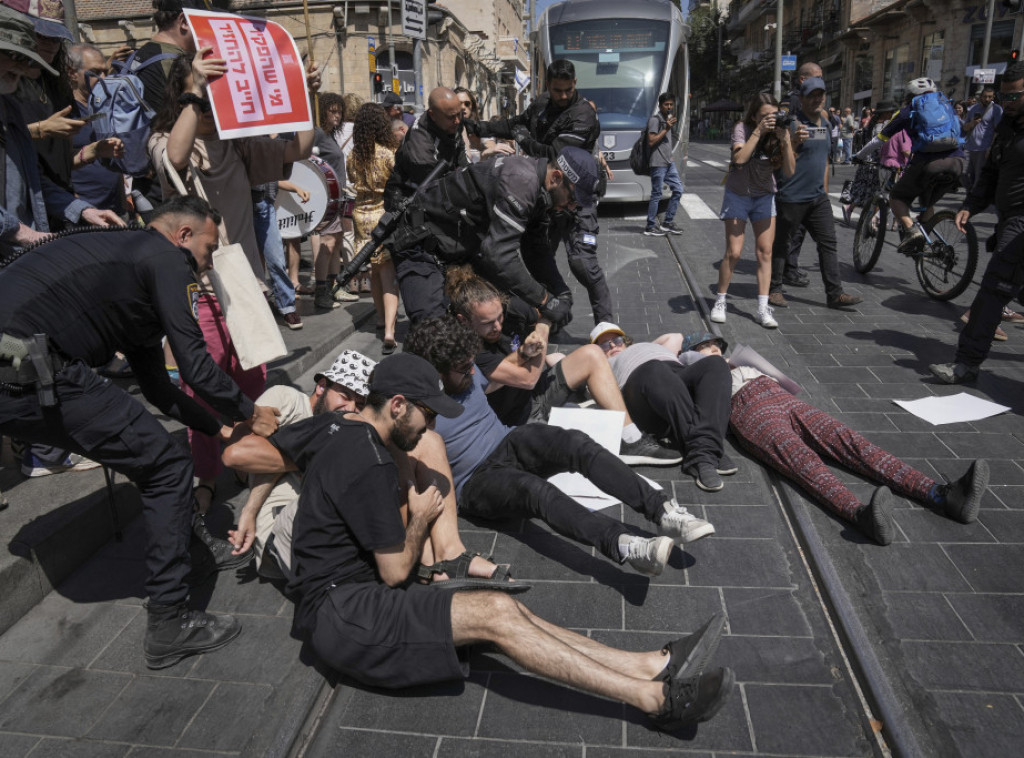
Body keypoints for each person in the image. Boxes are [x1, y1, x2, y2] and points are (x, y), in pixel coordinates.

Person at [229, 351, 735, 731]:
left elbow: (271, 455)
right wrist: (422, 518)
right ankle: (657, 703)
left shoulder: (339, 427)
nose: (432, 426)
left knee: (500, 610)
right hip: (348, 617)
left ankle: (650, 665)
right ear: (398, 405)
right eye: (427, 414)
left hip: (355, 599)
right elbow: (395, 571)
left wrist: (250, 507)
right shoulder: (368, 464)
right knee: (495, 617)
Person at [0, 196, 285, 668]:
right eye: (209, 250)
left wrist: (222, 428)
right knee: (168, 465)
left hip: (23, 368)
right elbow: (194, 366)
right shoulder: (164, 258)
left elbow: (157, 385)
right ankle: (170, 619)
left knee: (151, 454)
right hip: (27, 368)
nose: (209, 265)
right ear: (184, 236)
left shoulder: (130, 265)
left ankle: (190, 549)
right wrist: (250, 413)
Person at [405, 316, 715, 576]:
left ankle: (662, 512)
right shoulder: (413, 411)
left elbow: (508, 371)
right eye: (463, 369)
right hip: (475, 482)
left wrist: (526, 351)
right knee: (533, 491)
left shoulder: (465, 370)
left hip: (508, 441)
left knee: (572, 441)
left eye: (472, 364)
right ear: (435, 373)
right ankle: (624, 545)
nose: (473, 372)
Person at [148, 51, 317, 515]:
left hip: (244, 284)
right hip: (194, 289)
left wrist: (298, 94)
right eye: (203, 88)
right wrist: (195, 87)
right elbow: (176, 159)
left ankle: (247, 456)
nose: (210, 97)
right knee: (200, 387)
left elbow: (296, 149)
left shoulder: (236, 144)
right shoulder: (166, 139)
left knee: (250, 381)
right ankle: (206, 475)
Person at [223, 349, 509, 585]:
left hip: (331, 506)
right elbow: (236, 454)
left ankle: (447, 554)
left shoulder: (348, 431)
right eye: (345, 395)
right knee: (387, 453)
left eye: (359, 402)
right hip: (290, 531)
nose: (349, 407)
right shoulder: (290, 400)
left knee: (425, 440)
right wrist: (326, 452)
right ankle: (423, 565)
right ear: (322, 385)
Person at [677, 336, 990, 545]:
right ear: (693, 353)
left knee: (854, 444)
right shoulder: (693, 370)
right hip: (748, 409)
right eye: (706, 346)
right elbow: (673, 350)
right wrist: (696, 358)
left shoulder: (739, 361)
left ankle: (941, 495)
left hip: (781, 397)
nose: (715, 348)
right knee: (801, 460)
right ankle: (859, 515)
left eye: (717, 345)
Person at [446, 267, 682, 464]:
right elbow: (526, 379)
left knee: (591, 353)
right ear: (463, 320)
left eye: (499, 317)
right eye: (488, 323)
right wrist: (543, 330)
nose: (498, 326)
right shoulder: (464, 350)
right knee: (583, 454)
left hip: (536, 397)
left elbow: (542, 312)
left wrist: (549, 313)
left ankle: (632, 440)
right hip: (517, 421)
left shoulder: (506, 311)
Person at [386, 145, 596, 328]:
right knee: (434, 333)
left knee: (524, 316)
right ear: (557, 177)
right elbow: (499, 255)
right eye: (573, 199)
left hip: (462, 249)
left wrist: (560, 292)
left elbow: (536, 250)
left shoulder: (543, 191)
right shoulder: (522, 181)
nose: (572, 206)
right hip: (421, 247)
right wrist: (545, 299)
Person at [473, 59, 613, 324]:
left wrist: (524, 138)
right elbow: (514, 123)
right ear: (547, 85)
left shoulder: (583, 114)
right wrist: (480, 127)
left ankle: (607, 331)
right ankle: (548, 318)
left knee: (583, 263)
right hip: (545, 194)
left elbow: (555, 154)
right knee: (538, 256)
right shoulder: (541, 104)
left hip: (576, 196)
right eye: (557, 90)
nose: (562, 96)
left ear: (575, 84)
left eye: (568, 90)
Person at [930, 62, 1024, 384]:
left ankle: (966, 363)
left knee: (995, 287)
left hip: (1021, 226)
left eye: (1015, 97)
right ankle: (968, 362)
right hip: (1009, 220)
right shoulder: (1006, 126)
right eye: (1004, 97)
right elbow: (993, 173)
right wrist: (971, 206)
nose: (1007, 103)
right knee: (1005, 288)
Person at [591, 325, 734, 495]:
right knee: (653, 368)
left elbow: (675, 336)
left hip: (675, 375)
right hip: (639, 388)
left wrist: (643, 345)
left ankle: (703, 450)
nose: (613, 346)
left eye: (617, 340)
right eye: (605, 345)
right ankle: (705, 452)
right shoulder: (599, 364)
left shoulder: (652, 346)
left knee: (716, 363)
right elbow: (558, 361)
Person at [768, 77, 863, 310]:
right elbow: (777, 162)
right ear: (800, 99)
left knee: (828, 243)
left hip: (817, 197)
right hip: (791, 196)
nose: (817, 99)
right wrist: (793, 142)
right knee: (783, 244)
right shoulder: (791, 124)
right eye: (811, 95)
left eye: (820, 95)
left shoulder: (826, 123)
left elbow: (825, 160)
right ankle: (774, 289)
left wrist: (825, 190)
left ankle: (835, 294)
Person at [710, 93, 795, 329]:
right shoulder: (742, 129)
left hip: (764, 196)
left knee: (765, 252)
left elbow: (789, 171)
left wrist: (786, 140)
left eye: (773, 115)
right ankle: (720, 300)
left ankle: (762, 307)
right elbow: (739, 159)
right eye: (765, 115)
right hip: (738, 194)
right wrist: (758, 131)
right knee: (734, 252)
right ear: (755, 115)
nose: (770, 119)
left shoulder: (780, 132)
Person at [854, 77, 965, 255]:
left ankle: (912, 231)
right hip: (958, 163)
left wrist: (858, 156)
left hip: (928, 163)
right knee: (926, 202)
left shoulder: (908, 111)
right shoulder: (948, 107)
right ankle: (925, 243)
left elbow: (879, 139)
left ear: (911, 95)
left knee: (897, 197)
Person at [348, 103, 401, 354]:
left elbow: (350, 179)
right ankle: (390, 330)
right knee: (388, 273)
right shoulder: (387, 153)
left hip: (361, 214)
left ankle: (380, 319)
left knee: (375, 271)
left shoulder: (354, 155)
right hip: (383, 213)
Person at [382, 86, 467, 210]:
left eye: (459, 114)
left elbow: (460, 154)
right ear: (432, 115)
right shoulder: (420, 145)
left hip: (436, 190)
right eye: (451, 117)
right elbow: (435, 186)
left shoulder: (451, 122)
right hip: (408, 199)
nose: (457, 121)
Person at [841, 101, 902, 226]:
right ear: (884, 113)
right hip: (874, 162)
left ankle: (870, 218)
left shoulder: (875, 124)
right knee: (871, 192)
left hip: (871, 160)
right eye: (890, 112)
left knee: (872, 192)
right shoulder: (881, 126)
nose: (891, 114)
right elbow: (879, 144)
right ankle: (858, 212)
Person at [642, 92, 686, 237]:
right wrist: (666, 128)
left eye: (671, 104)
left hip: (668, 162)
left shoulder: (668, 119)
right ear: (660, 105)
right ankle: (650, 226)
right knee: (657, 194)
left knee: (678, 189)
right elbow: (651, 141)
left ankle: (667, 222)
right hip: (658, 163)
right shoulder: (655, 120)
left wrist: (670, 156)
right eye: (666, 104)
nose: (669, 107)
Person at [453, 86, 513, 163]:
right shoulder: (450, 130)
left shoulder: (479, 128)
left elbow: (491, 147)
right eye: (459, 103)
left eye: (467, 104)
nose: (463, 107)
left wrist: (486, 152)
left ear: (472, 106)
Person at [963, 86, 1002, 192]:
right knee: (963, 174)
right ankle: (971, 193)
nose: (987, 99)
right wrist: (973, 123)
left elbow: (997, 130)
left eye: (990, 97)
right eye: (985, 97)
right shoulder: (974, 109)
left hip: (983, 148)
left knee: (978, 176)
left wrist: (990, 147)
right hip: (969, 146)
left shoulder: (996, 109)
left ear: (993, 97)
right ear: (981, 97)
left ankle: (972, 198)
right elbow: (965, 127)